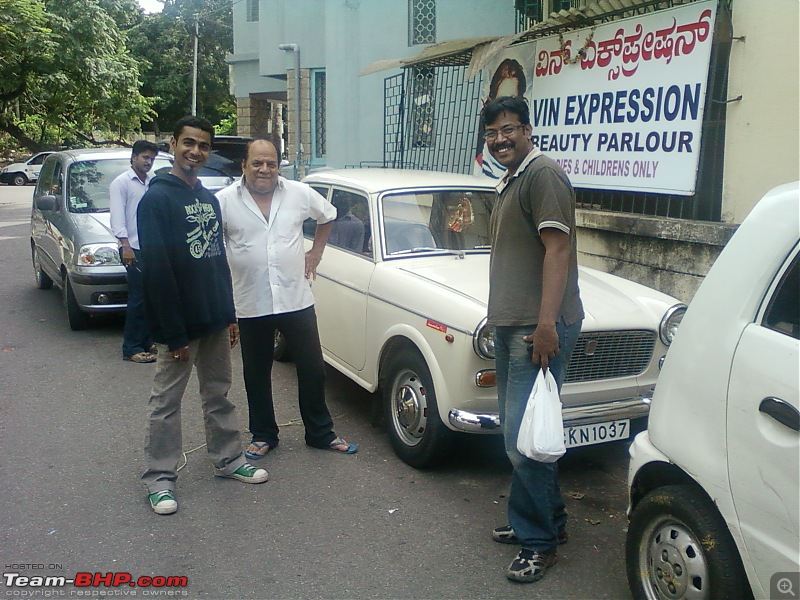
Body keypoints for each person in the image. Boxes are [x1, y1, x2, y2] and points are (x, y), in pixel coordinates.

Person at [137, 116, 267, 516]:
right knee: (166, 403)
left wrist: (228, 314)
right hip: (179, 326)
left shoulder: (208, 199)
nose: (195, 151)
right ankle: (160, 478)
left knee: (218, 394)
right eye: (188, 143)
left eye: (203, 146)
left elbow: (216, 262)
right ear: (173, 144)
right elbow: (157, 272)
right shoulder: (156, 200)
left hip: (213, 319)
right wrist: (174, 334)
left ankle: (228, 460)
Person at [483, 96, 584, 583]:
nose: (500, 140)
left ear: (526, 129)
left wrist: (545, 325)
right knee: (523, 432)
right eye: (491, 134)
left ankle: (539, 542)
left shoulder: (543, 174)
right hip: (513, 322)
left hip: (536, 326)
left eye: (508, 130)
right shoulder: (512, 179)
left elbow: (558, 249)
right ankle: (550, 521)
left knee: (524, 443)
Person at [216, 138, 358, 460]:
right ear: (244, 166)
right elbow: (214, 247)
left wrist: (317, 251)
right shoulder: (223, 201)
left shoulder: (298, 193)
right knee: (256, 372)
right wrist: (224, 303)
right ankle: (264, 434)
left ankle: (320, 433)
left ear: (278, 165)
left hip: (295, 298)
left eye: (270, 163)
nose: (264, 169)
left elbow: (328, 215)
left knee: (313, 369)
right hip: (251, 301)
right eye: (257, 163)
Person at [109, 140, 159, 363]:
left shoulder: (151, 182)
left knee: (151, 298)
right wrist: (125, 245)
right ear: (134, 158)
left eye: (151, 158)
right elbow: (117, 217)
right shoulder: (121, 183)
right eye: (144, 157)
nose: (148, 162)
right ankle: (131, 348)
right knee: (138, 299)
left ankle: (146, 340)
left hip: (151, 247)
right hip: (133, 248)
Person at [475, 58, 527, 179]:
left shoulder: (535, 171)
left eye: (512, 100)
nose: (500, 139)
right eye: (501, 100)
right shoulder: (481, 163)